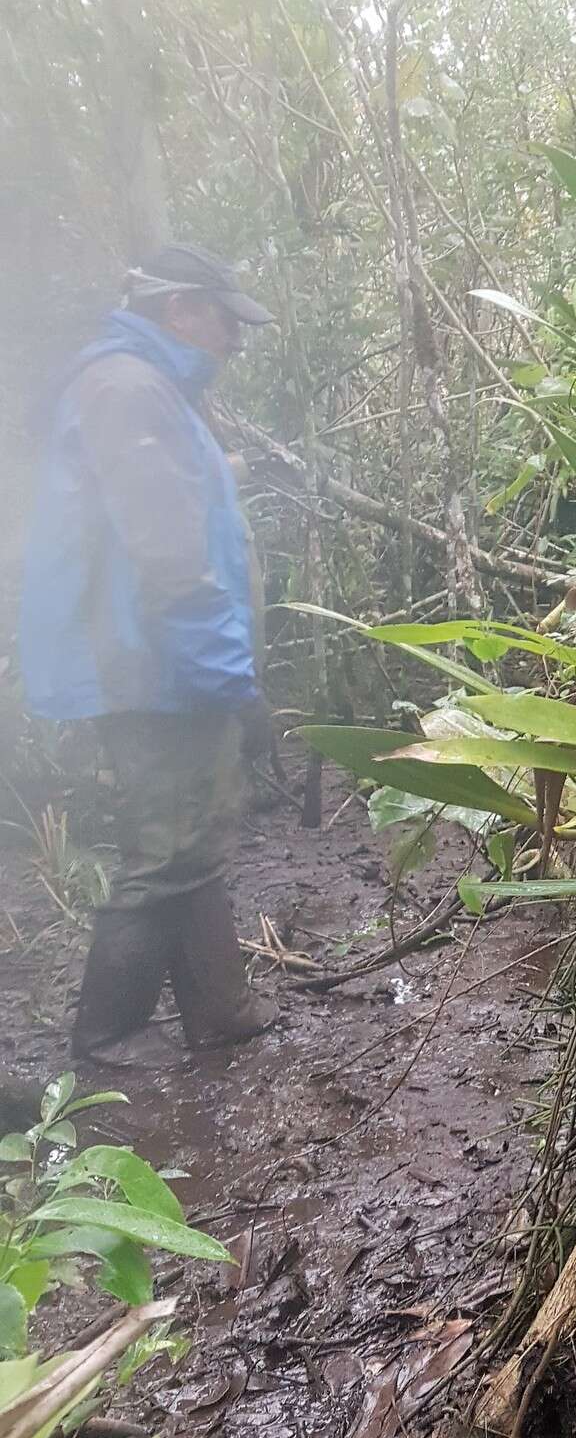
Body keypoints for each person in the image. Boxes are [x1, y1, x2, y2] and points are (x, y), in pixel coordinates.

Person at [19, 244, 280, 1063]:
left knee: (193, 833)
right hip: (149, 664)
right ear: (180, 309)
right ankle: (109, 1033)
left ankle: (222, 1010)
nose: (234, 343)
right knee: (163, 847)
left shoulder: (147, 389)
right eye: (225, 322)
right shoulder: (129, 390)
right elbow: (167, 559)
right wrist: (233, 682)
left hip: (161, 658)